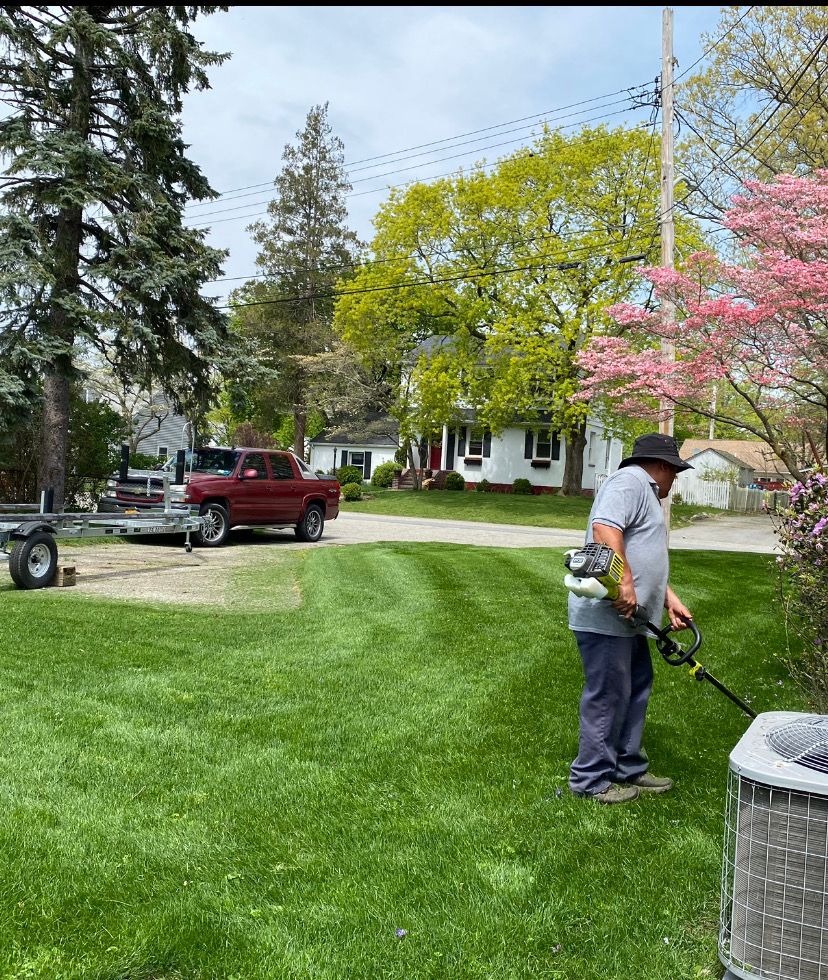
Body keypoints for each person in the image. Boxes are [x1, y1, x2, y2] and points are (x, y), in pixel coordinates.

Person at [567, 433, 694, 804]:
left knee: (635, 687)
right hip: (607, 617)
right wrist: (624, 583)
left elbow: (643, 552)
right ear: (663, 467)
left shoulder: (645, 490)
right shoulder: (629, 482)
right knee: (608, 695)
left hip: (631, 620)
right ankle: (590, 779)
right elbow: (605, 529)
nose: (675, 480)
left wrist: (668, 598)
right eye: (676, 472)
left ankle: (627, 766)